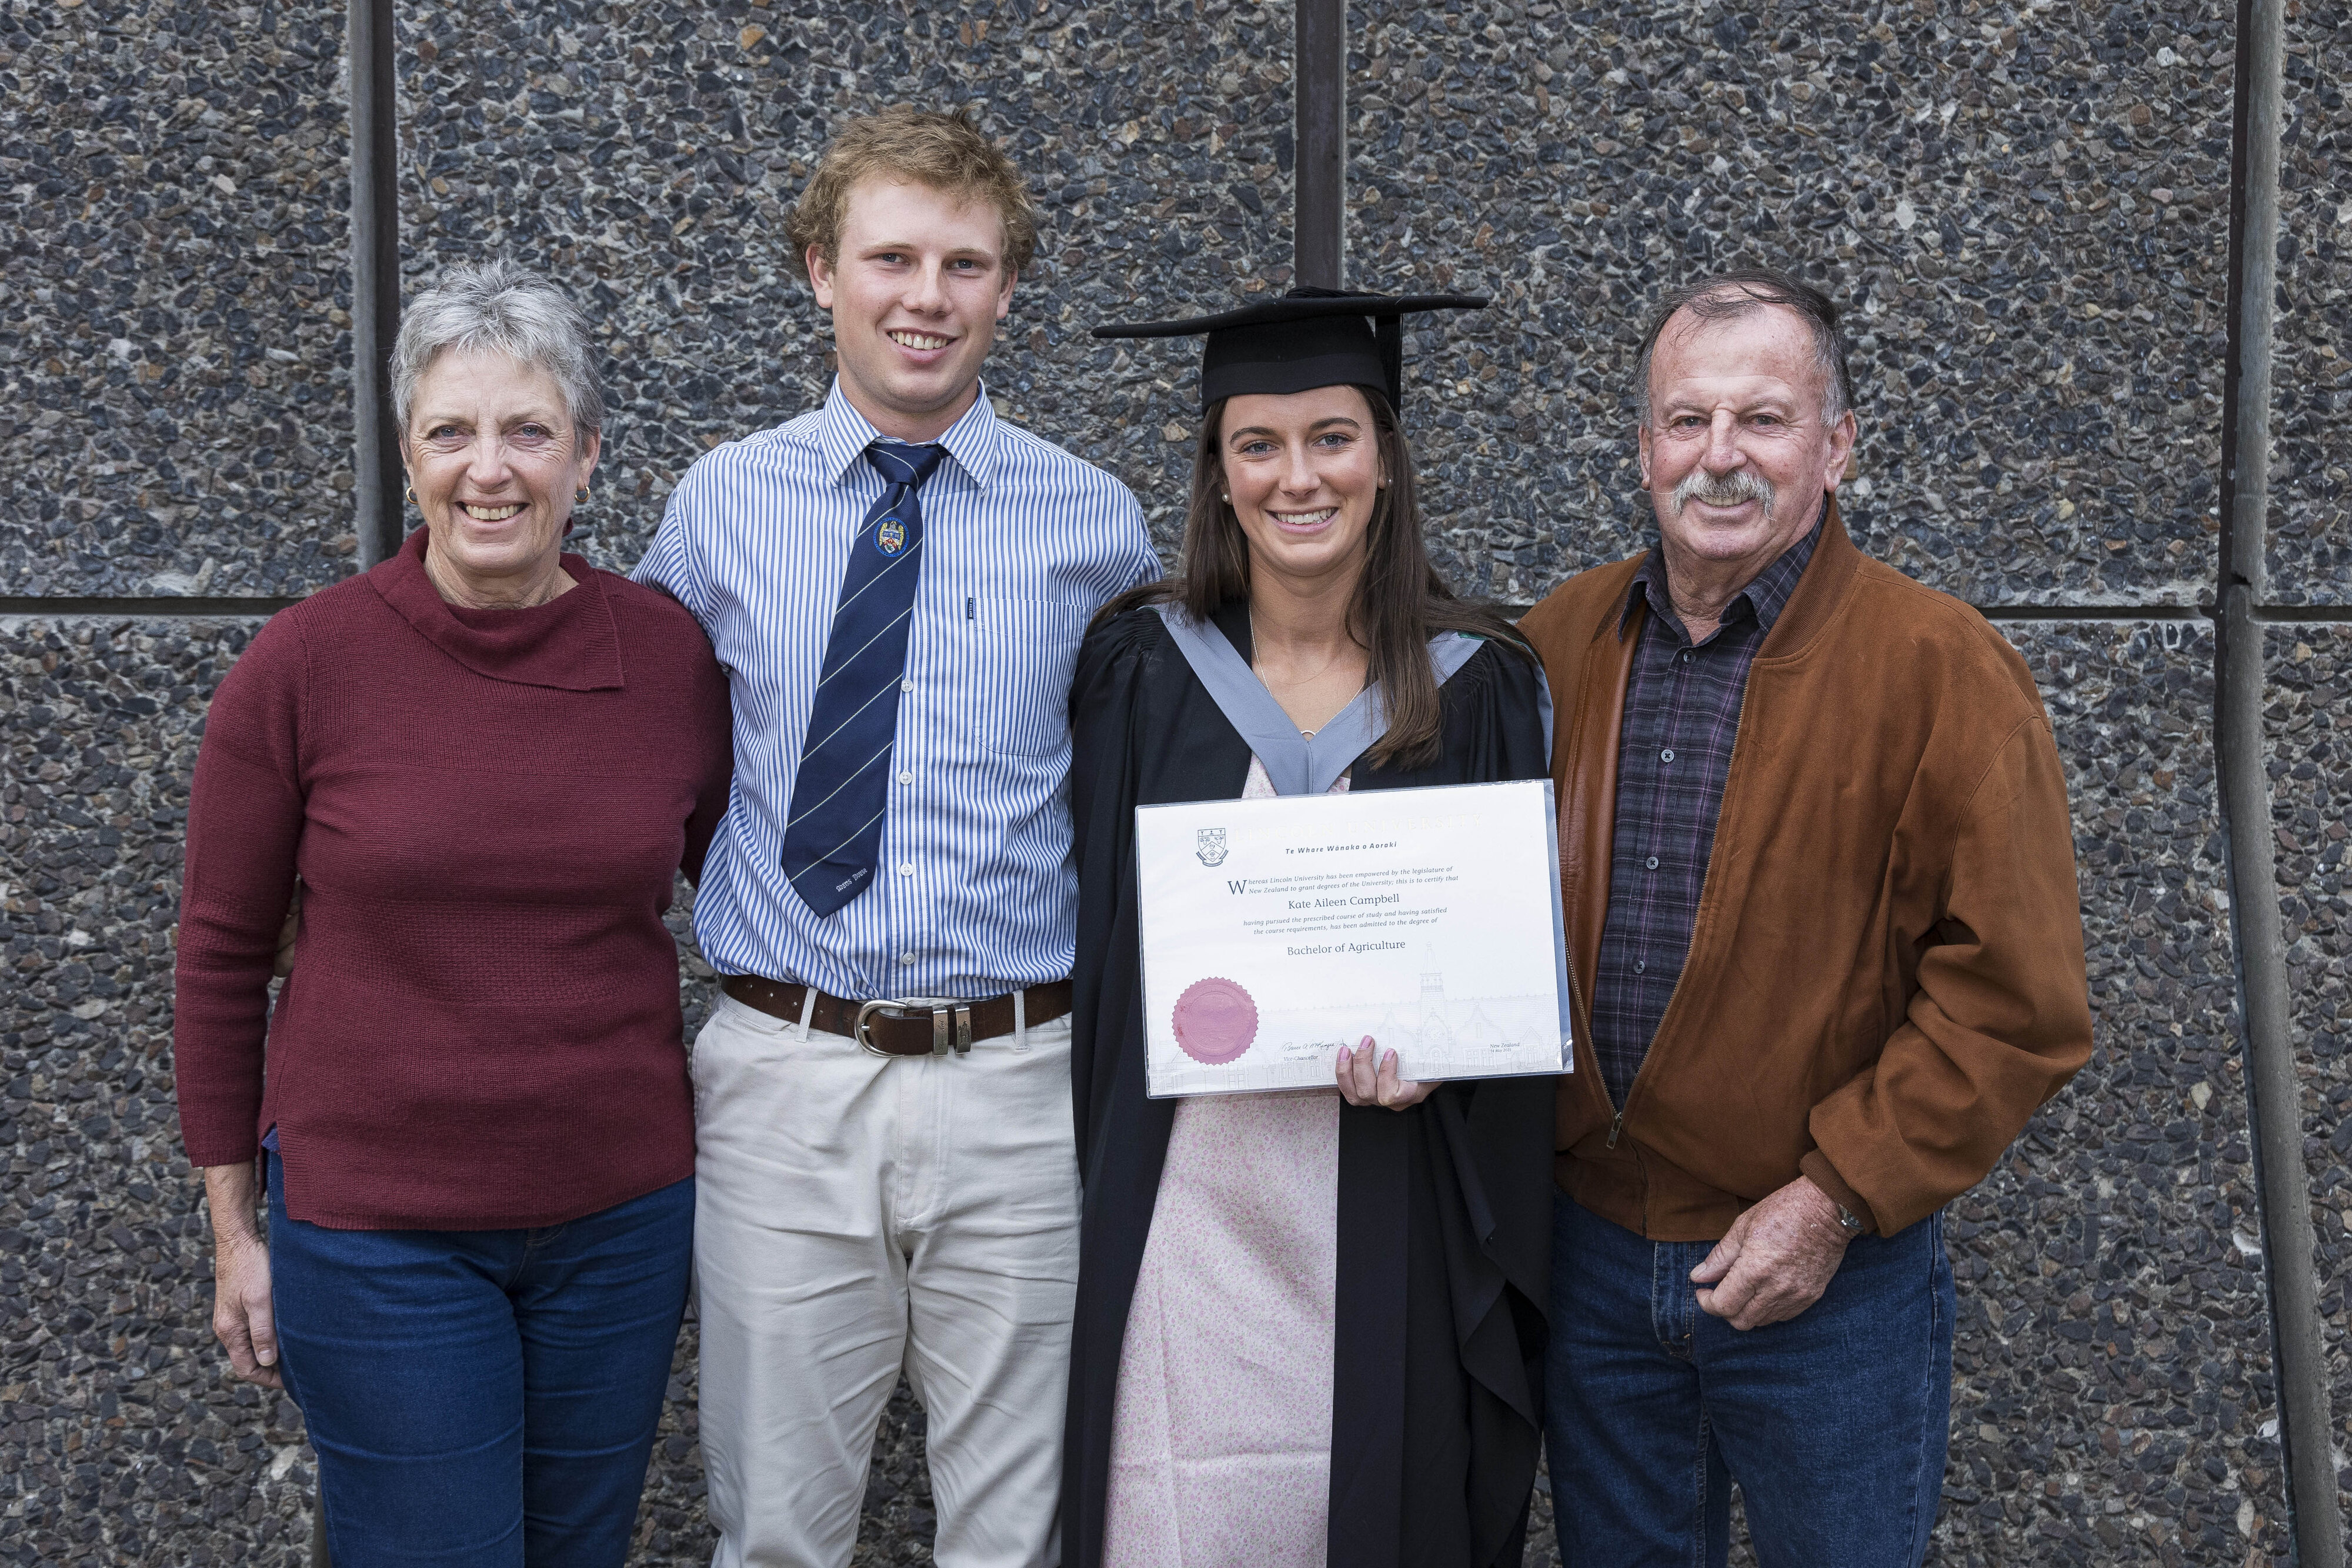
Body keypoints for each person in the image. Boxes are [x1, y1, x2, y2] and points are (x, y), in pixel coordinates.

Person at [629, 106, 1157, 1568]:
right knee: (777, 1533)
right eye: (892, 257)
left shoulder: (1093, 524)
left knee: (1021, 1535)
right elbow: (632, 751)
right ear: (820, 271)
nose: (926, 296)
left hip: (1022, 1082)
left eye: (965, 265)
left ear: (1003, 290)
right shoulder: (720, 504)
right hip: (785, 1075)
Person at [1519, 267, 2094, 1566]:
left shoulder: (1937, 666)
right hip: (1593, 1260)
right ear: (1641, 447)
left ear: (1834, 447)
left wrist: (1832, 1197)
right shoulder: (1559, 642)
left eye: (1763, 420)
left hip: (1826, 1276)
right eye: (1685, 420)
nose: (1718, 457)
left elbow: (2015, 1001)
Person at [173, 260, 733, 1566]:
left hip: (619, 1222)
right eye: (453, 432)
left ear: (587, 456)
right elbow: (218, 956)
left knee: (573, 1549)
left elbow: (745, 887)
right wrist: (234, 1231)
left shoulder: (664, 658)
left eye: (529, 431)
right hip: (378, 1237)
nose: (492, 469)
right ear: (408, 456)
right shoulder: (304, 665)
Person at [1062, 288, 1555, 1568]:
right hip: (1187, 1201)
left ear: (1383, 460)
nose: (1298, 477)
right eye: (1257, 444)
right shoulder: (1141, 671)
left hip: (1385, 1196)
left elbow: (1508, 975)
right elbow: (1106, 970)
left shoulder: (1479, 685)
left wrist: (1454, 1050)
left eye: (1332, 437)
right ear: (1217, 475)